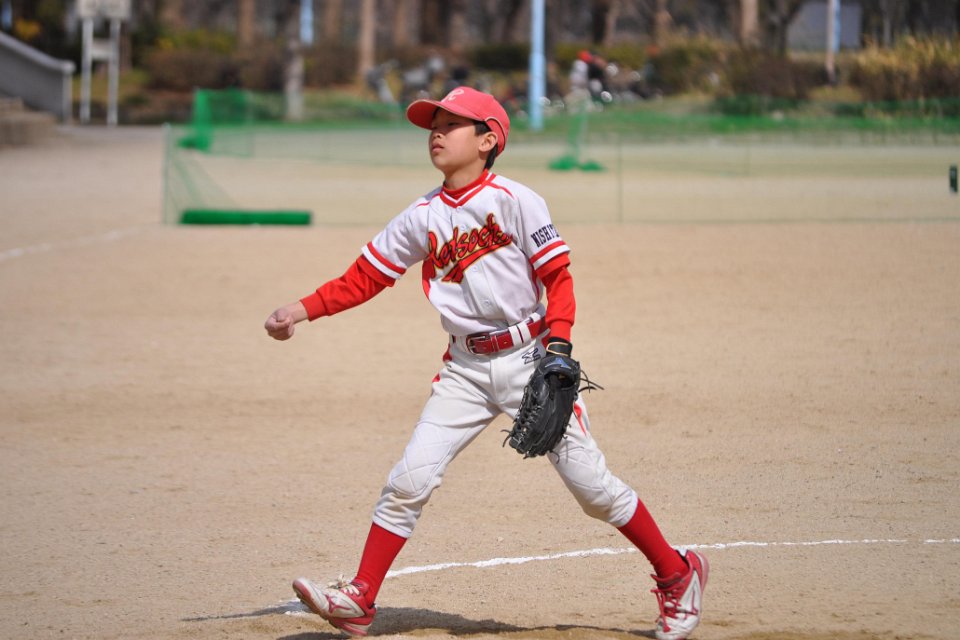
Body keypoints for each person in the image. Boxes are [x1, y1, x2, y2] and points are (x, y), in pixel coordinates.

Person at [263, 87, 708, 640]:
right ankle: (360, 598)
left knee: (592, 488)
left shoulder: (517, 200)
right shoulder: (422, 215)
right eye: (434, 123)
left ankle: (678, 573)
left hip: (531, 359)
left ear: (488, 139)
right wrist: (299, 309)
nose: (436, 132)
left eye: (451, 123)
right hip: (464, 370)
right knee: (409, 479)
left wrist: (560, 347)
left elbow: (558, 279)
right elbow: (366, 277)